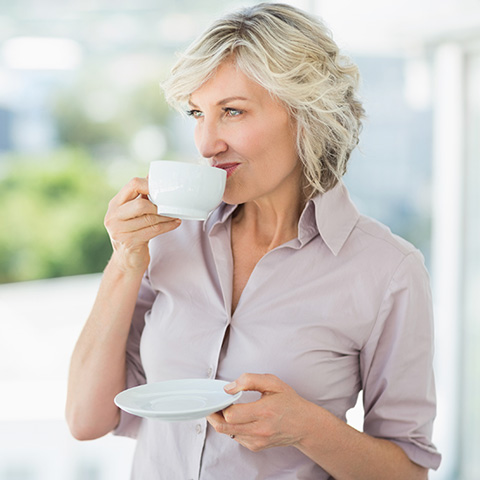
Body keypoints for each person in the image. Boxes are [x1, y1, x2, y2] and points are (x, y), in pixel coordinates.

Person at [66, 3, 441, 479]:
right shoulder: (170, 235)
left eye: (233, 112)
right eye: (197, 113)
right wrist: (124, 260)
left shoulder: (388, 271)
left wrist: (309, 428)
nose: (206, 143)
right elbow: (86, 419)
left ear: (306, 115)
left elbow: (409, 472)